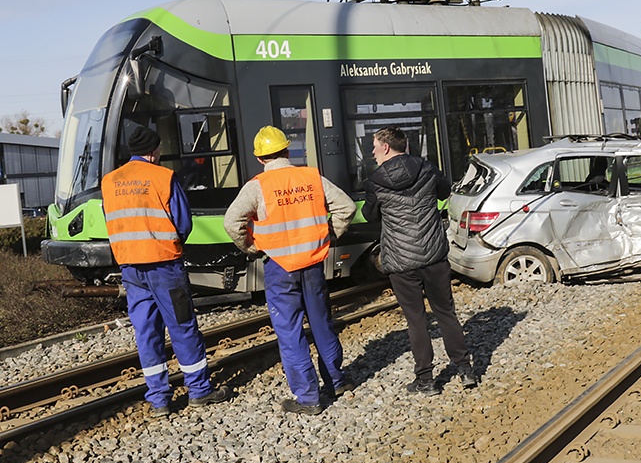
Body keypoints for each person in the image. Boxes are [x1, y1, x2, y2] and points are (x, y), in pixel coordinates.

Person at [224, 126, 357, 415]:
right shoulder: (311, 177)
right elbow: (346, 207)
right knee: (322, 324)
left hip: (280, 268)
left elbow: (232, 222)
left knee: (290, 332)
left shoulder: (256, 186)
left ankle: (308, 397)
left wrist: (251, 247)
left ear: (260, 158)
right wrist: (329, 236)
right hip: (312, 265)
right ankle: (336, 380)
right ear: (288, 151)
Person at [101, 125, 229, 418]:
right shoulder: (164, 177)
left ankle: (159, 399)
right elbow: (183, 223)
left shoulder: (110, 181)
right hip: (164, 266)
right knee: (182, 326)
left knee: (146, 332)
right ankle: (199, 390)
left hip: (131, 269)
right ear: (154, 151)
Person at [362, 127, 477, 396]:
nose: (372, 152)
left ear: (386, 148)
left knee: (416, 321)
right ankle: (465, 370)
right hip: (434, 256)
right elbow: (444, 192)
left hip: (402, 262)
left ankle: (425, 380)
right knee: (446, 313)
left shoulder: (375, 181)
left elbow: (370, 216)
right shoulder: (427, 168)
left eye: (374, 146)